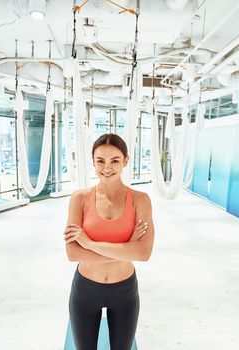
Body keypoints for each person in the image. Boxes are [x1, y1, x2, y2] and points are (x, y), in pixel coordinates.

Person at [64, 133, 155, 350]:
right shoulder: (80, 198)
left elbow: (143, 253)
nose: (107, 167)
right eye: (100, 161)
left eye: (115, 160)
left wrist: (90, 243)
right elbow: (72, 254)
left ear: (125, 161)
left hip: (124, 292)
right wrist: (126, 249)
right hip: (85, 290)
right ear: (93, 162)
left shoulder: (140, 200)